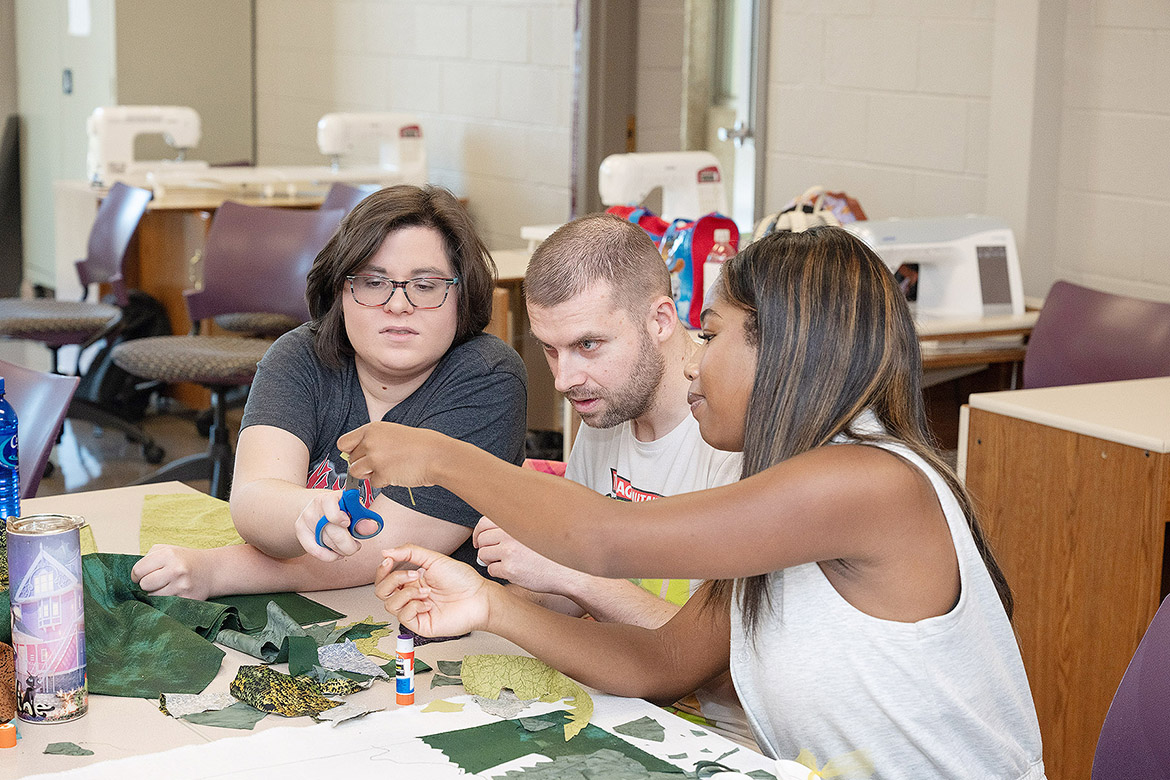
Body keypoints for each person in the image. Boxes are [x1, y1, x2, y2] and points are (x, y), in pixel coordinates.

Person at [344, 226, 1046, 779]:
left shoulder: (862, 481)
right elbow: (659, 665)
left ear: (784, 350)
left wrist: (439, 456)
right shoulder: (788, 503)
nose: (690, 360)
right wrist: (489, 604)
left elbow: (604, 540)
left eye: (711, 334)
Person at [130, 184, 528, 599]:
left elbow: (394, 549)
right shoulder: (300, 356)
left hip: (429, 626)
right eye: (373, 283)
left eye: (425, 286)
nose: (398, 305)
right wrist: (304, 510)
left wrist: (214, 571)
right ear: (339, 291)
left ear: (461, 297)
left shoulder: (488, 377)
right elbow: (253, 497)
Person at [473, 212, 742, 628]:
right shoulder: (609, 408)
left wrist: (567, 572)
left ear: (661, 321)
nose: (564, 380)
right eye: (550, 349)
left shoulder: (734, 433)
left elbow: (714, 657)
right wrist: (482, 594)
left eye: (588, 344)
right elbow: (569, 589)